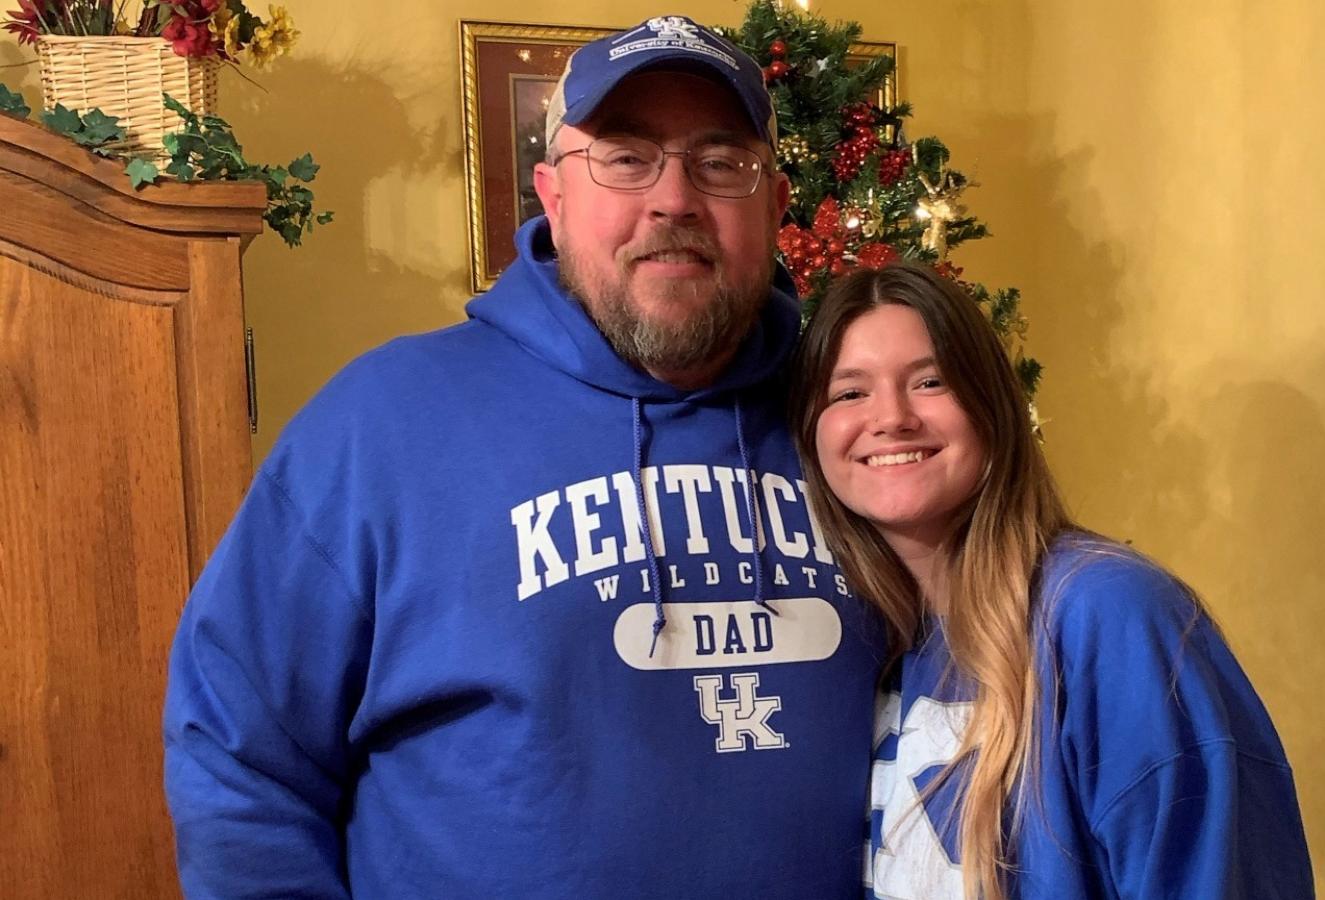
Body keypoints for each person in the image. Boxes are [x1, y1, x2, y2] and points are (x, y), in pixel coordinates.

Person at [163, 15, 882, 898]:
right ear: (552, 194)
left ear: (773, 203)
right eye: (625, 156)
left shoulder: (856, 421)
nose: (675, 199)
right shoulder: (382, 424)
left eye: (721, 161)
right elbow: (239, 753)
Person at [788, 262, 1316, 899]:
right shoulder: (878, 645)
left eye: (930, 382)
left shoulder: (1109, 614)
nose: (891, 417)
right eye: (850, 392)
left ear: (992, 408)